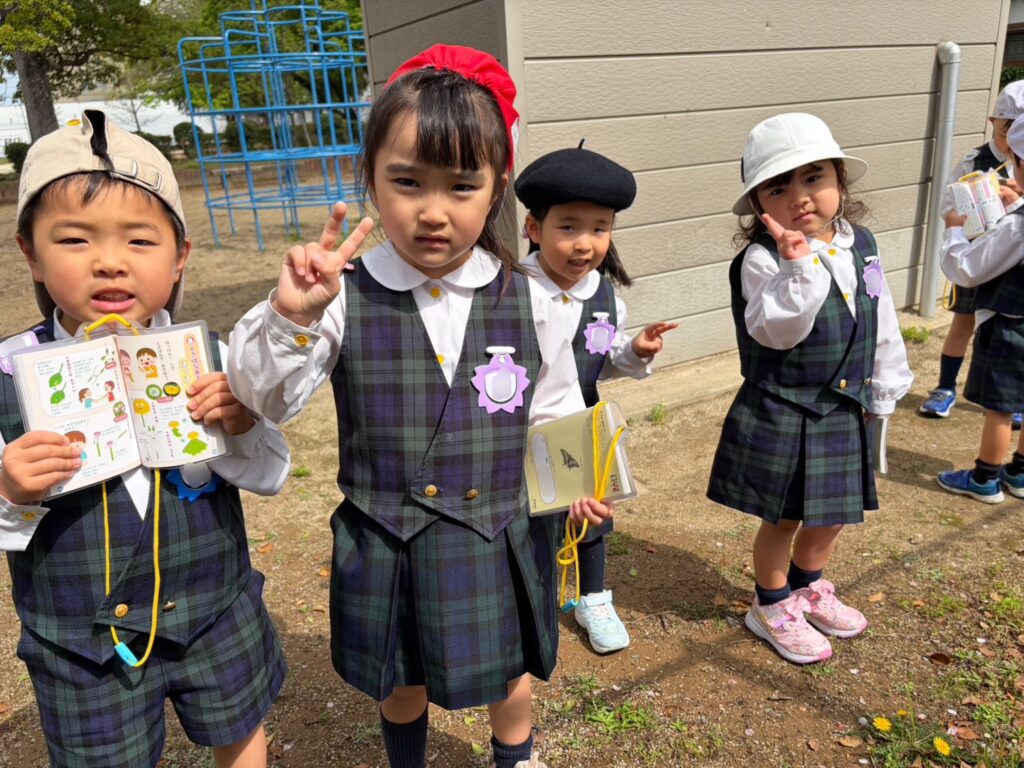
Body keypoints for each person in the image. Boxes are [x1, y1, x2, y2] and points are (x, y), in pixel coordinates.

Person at [227, 45, 612, 768]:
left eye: (463, 186)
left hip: (495, 533)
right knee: (400, 682)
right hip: (389, 539)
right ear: (371, 177)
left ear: (498, 188)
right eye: (406, 181)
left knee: (509, 672)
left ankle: (515, 759)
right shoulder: (341, 295)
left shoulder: (530, 296)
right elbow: (263, 398)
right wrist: (292, 316)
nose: (433, 212)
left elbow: (556, 404)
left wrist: (579, 479)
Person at [1, 111, 290, 768]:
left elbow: (273, 472)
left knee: (240, 727)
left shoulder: (211, 358)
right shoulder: (11, 375)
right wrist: (11, 489)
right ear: (32, 255)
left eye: (139, 240)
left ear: (179, 254)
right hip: (82, 645)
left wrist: (242, 425)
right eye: (74, 240)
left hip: (215, 612)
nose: (109, 262)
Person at [707, 113, 913, 664]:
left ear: (840, 180)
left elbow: (880, 315)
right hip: (786, 407)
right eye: (779, 188)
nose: (800, 197)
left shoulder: (860, 243)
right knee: (784, 516)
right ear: (758, 205)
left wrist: (884, 387)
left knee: (835, 511)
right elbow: (777, 331)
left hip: (845, 405)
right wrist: (797, 269)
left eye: (814, 178)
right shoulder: (760, 260)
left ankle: (807, 584)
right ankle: (771, 602)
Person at [513, 143, 676, 654]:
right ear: (534, 228)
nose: (584, 243)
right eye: (568, 226)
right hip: (520, 431)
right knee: (531, 519)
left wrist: (635, 351)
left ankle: (593, 598)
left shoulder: (604, 297)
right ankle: (530, 597)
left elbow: (598, 362)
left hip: (583, 427)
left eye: (600, 229)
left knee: (592, 516)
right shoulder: (511, 292)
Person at [921, 81, 1024, 423]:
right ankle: (945, 387)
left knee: (1005, 331)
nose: (1012, 139)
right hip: (975, 252)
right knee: (963, 322)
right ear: (993, 121)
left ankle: (1010, 398)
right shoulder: (975, 160)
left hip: (1010, 264)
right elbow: (947, 205)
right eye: (1008, 129)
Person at [936, 114, 1024, 503]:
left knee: (999, 410)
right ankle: (1019, 474)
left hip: (1010, 326)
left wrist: (955, 230)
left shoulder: (1017, 226)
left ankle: (984, 478)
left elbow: (967, 269)